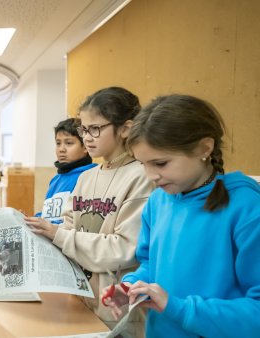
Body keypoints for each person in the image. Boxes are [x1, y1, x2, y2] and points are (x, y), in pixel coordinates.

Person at [105, 94, 260, 338]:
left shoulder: (246, 206)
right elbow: (150, 264)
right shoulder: (157, 201)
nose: (150, 175)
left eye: (161, 163)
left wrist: (180, 308)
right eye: (143, 164)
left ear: (204, 148)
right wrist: (132, 285)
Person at [25, 87, 155, 337]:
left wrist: (59, 234)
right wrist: (37, 231)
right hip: (83, 300)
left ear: (125, 128)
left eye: (95, 129)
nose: (87, 137)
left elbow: (124, 250)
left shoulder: (141, 175)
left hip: (118, 310)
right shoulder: (86, 177)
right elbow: (67, 225)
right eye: (84, 129)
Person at [35, 118, 96, 223]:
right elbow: (47, 215)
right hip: (47, 237)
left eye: (68, 143)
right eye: (58, 143)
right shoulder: (56, 179)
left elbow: (79, 221)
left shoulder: (91, 176)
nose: (61, 149)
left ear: (85, 146)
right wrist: (30, 220)